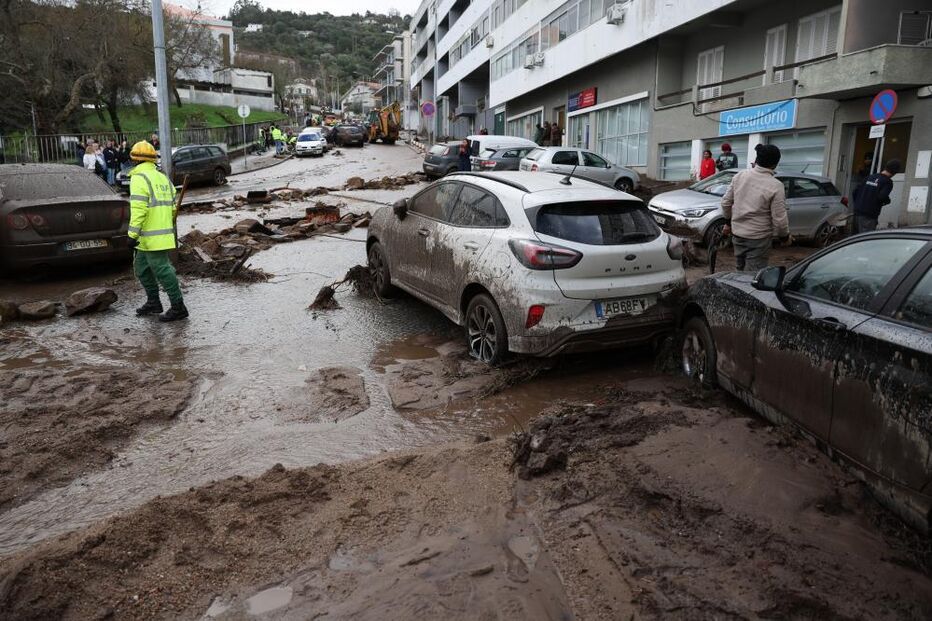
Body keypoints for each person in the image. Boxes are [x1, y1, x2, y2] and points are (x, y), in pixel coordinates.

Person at [127, 141, 188, 322]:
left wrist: (131, 234)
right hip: (152, 235)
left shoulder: (139, 178)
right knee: (141, 268)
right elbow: (172, 206)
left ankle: (178, 307)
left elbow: (139, 209)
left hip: (152, 236)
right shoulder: (162, 178)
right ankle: (154, 302)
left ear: (135, 160)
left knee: (162, 270)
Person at [721, 144, 790, 272]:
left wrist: (728, 223)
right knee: (752, 276)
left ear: (756, 160)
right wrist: (784, 237)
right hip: (759, 238)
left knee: (740, 271)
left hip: (738, 234)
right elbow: (780, 220)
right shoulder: (776, 186)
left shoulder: (740, 176)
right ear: (775, 164)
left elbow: (725, 203)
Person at [852, 159, 901, 234]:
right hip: (869, 216)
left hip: (856, 214)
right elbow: (882, 197)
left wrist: (858, 204)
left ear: (886, 167)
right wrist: (887, 201)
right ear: (895, 172)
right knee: (867, 238)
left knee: (856, 239)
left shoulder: (870, 177)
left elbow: (855, 192)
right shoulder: (887, 182)